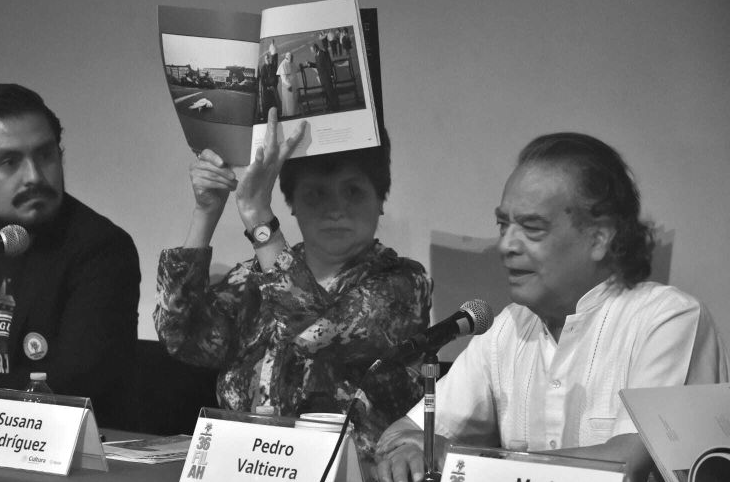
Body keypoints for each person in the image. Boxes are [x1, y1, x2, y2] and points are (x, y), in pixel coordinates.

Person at [376, 132, 728, 482]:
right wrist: (410, 449)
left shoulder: (668, 319)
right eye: (503, 225)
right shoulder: (507, 328)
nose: (506, 245)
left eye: (532, 228)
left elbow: (626, 466)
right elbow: (406, 433)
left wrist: (462, 460)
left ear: (599, 237)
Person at [154, 108, 432, 470]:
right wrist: (206, 212)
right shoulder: (254, 277)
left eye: (353, 191)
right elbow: (182, 337)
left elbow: (314, 334)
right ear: (293, 203)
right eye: (316, 193)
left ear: (380, 200)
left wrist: (258, 216)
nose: (335, 209)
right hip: (245, 468)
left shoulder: (402, 283)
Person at [0, 83, 141, 429]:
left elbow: (75, 385)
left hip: (64, 446)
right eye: (9, 162)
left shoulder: (102, 249)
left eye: (45, 155)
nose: (34, 176)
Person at [303, 43, 339, 112]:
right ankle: (330, 107)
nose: (311, 51)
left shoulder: (323, 53)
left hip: (327, 76)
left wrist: (331, 75)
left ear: (315, 48)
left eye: (312, 50)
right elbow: (318, 65)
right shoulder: (316, 55)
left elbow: (328, 63)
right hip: (322, 77)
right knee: (326, 92)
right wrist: (310, 64)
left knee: (330, 92)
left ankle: (335, 107)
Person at [276, 51, 300, 118]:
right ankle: (290, 115)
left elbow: (296, 69)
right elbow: (284, 78)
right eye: (291, 57)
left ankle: (295, 113)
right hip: (287, 86)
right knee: (289, 101)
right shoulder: (283, 65)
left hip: (293, 85)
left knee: (294, 100)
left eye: (292, 57)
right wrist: (289, 85)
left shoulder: (291, 62)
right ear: (288, 57)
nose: (292, 59)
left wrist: (301, 67)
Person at [258, 52, 279, 119]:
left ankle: (275, 116)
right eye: (266, 58)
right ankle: (266, 118)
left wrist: (274, 85)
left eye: (268, 58)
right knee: (267, 104)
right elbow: (262, 80)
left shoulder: (273, 67)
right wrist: (267, 87)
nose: (268, 59)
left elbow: (276, 77)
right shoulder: (263, 68)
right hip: (266, 89)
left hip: (273, 88)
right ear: (265, 59)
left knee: (274, 103)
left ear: (270, 58)